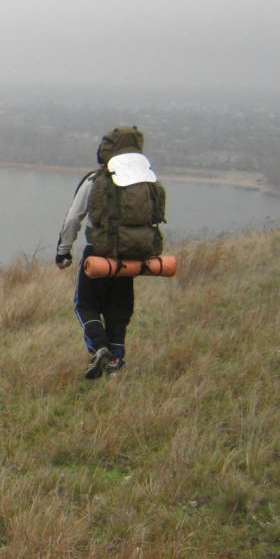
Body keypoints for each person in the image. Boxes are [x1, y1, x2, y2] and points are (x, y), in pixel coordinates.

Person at [55, 125, 166, 379]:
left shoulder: (95, 181)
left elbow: (73, 220)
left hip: (98, 253)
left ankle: (99, 347)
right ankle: (116, 358)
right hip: (131, 255)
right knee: (119, 308)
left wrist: (63, 252)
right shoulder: (146, 181)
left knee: (86, 305)